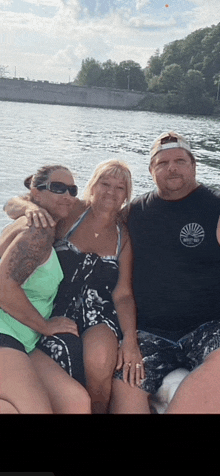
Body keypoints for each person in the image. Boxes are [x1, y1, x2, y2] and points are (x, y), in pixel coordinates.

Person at [3, 160, 144, 414]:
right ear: (92, 185)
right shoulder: (70, 210)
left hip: (97, 309)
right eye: (105, 183)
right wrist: (26, 208)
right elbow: (15, 203)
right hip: (56, 304)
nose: (111, 191)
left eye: (120, 187)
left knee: (100, 358)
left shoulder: (123, 234)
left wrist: (130, 338)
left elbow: (122, 293)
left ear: (127, 195)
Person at [111, 130, 220, 413]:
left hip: (208, 328)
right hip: (149, 334)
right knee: (126, 390)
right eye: (162, 163)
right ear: (151, 170)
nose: (171, 167)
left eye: (180, 160)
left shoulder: (216, 206)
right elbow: (86, 213)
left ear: (194, 166)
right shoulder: (133, 213)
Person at [0, 164, 91, 414]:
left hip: (24, 340)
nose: (67, 195)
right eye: (58, 188)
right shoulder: (39, 230)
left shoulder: (36, 218)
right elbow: (3, 288)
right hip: (5, 335)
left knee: (76, 402)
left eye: (72, 190)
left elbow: (11, 204)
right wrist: (45, 326)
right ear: (36, 193)